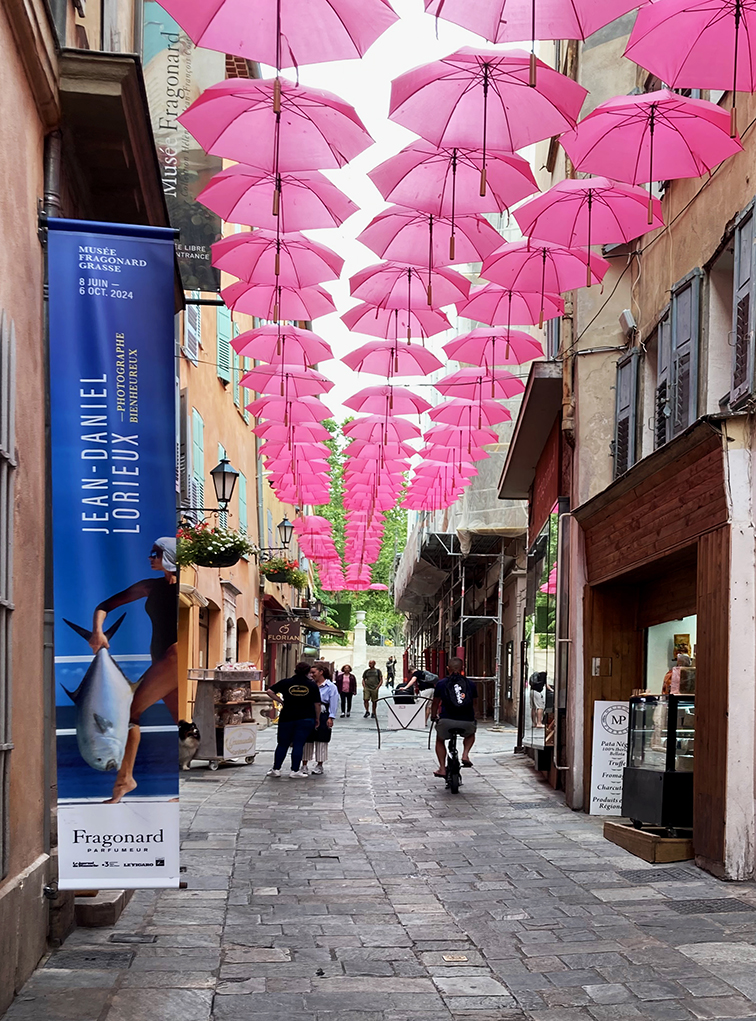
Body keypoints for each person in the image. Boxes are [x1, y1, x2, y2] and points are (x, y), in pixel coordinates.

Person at [88, 537, 178, 803]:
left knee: (130, 711)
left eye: (156, 553)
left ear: (170, 555)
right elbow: (103, 606)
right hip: (161, 660)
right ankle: (173, 787)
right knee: (179, 721)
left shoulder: (186, 585)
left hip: (174, 655)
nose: (149, 557)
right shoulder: (150, 586)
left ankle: (125, 780)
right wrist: (97, 632)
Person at [265, 661, 322, 778]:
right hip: (306, 717)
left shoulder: (286, 682)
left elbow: (269, 691)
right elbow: (317, 704)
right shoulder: (312, 685)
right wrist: (317, 718)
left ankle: (276, 769)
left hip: (287, 717)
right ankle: (294, 770)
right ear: (307, 672)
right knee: (298, 744)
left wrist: (281, 701)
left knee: (282, 744)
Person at [430, 657, 477, 778]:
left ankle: (442, 768)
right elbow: (474, 704)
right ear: (463, 669)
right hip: (466, 721)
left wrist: (433, 716)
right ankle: (465, 754)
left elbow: (435, 703)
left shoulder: (441, 683)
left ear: (447, 668)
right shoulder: (470, 684)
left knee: (440, 740)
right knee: (471, 734)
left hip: (446, 721)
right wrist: (473, 718)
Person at [302, 664, 338, 775]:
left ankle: (319, 764)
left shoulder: (330, 687)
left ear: (321, 672)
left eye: (313, 672)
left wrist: (331, 717)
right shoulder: (309, 685)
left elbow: (334, 702)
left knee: (322, 739)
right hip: (309, 713)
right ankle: (304, 764)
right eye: (310, 673)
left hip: (323, 714)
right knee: (307, 739)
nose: (311, 675)